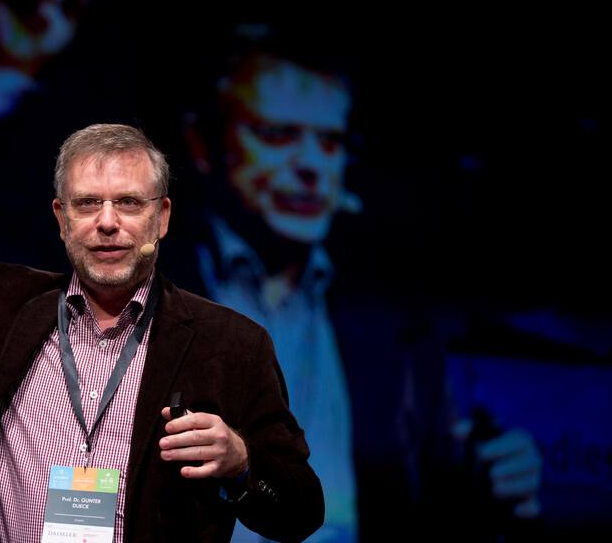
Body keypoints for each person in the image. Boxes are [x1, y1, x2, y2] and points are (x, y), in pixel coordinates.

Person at [0, 67, 323, 542]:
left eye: (128, 203)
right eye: (88, 203)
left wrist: (242, 464)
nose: (107, 222)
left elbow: (301, 511)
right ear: (61, 218)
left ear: (162, 217)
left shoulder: (231, 344)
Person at [171, 27, 543, 542]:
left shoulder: (392, 318)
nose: (311, 165)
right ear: (201, 143)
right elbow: (79, 449)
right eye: (277, 135)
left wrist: (490, 491)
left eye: (329, 141)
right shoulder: (134, 288)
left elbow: (420, 504)